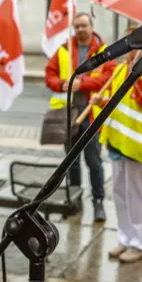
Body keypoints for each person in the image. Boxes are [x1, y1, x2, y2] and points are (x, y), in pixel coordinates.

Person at [93, 23, 142, 263]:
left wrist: (137, 70)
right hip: (117, 142)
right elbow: (120, 103)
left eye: (133, 43)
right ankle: (125, 238)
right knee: (120, 194)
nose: (128, 48)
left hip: (135, 145)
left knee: (135, 196)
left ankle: (139, 242)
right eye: (127, 43)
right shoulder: (122, 69)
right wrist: (101, 100)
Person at [44, 12, 115, 223]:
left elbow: (108, 77)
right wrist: (61, 84)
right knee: (71, 162)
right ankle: (74, 201)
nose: (80, 29)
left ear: (92, 27)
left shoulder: (104, 51)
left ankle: (98, 203)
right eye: (77, 26)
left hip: (92, 116)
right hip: (70, 114)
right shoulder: (65, 48)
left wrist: (81, 84)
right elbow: (50, 74)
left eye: (84, 25)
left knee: (94, 162)